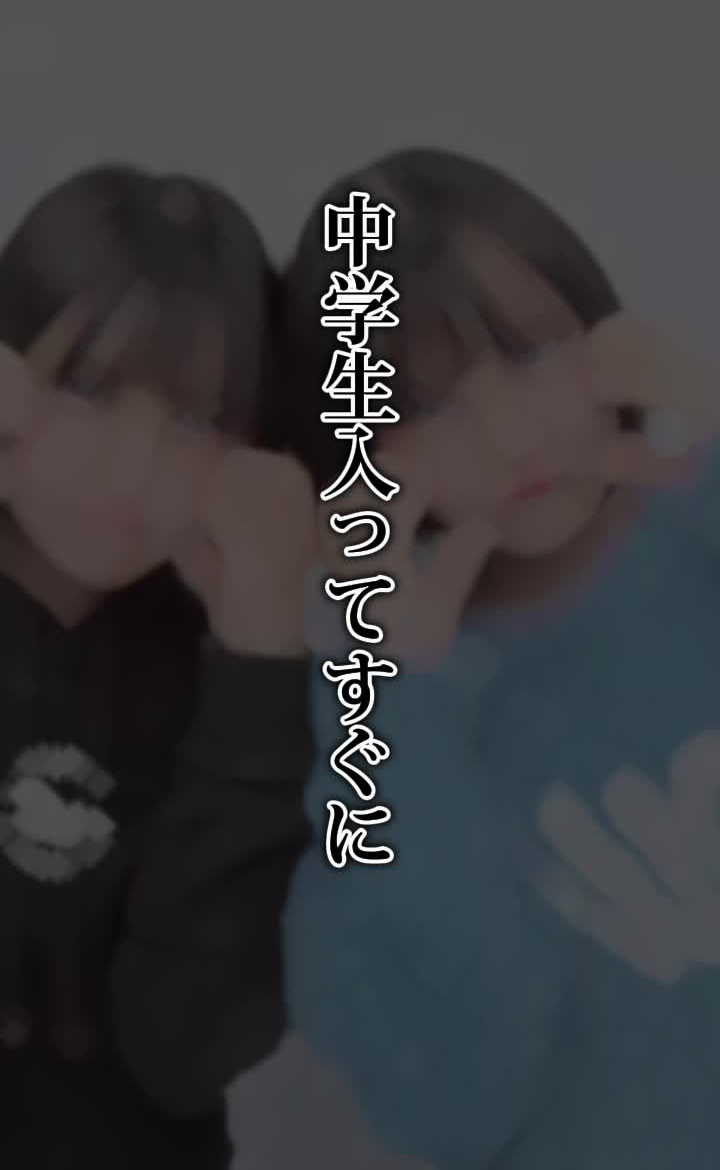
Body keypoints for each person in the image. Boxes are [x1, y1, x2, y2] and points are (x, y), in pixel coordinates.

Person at [281, 147, 720, 1169]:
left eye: (530, 354)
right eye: (424, 407)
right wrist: (399, 702)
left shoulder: (697, 533)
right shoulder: (372, 710)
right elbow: (446, 1105)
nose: (513, 436)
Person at [0, 166, 314, 1169]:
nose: (131, 467)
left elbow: (193, 1051)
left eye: (193, 420)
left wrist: (260, 658)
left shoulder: (245, 680)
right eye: (88, 389)